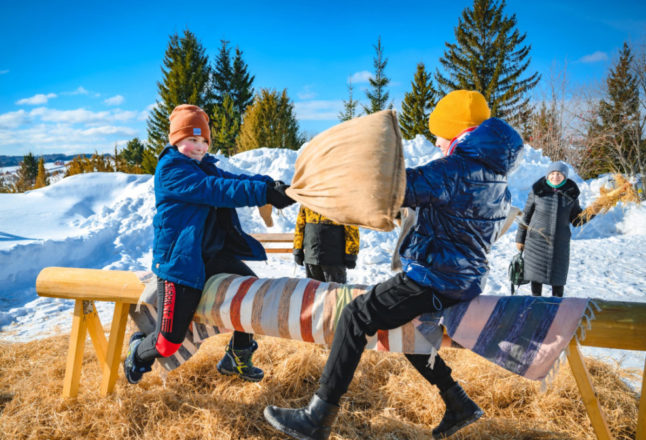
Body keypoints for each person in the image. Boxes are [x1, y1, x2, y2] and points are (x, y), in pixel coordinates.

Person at [264, 90, 524, 440]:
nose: (434, 141)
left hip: (434, 278)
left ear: (458, 133)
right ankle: (458, 401)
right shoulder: (497, 178)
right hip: (465, 279)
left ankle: (317, 417)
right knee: (401, 327)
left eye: (439, 134)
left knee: (357, 315)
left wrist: (346, 171)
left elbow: (395, 187)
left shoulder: (453, 170)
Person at [123, 104, 296, 385]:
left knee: (251, 295)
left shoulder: (204, 167)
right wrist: (262, 193)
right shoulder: (172, 171)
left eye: (204, 140)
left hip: (210, 257)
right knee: (168, 343)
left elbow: (235, 180)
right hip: (181, 263)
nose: (199, 146)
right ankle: (138, 352)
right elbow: (217, 191)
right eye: (192, 139)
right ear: (176, 140)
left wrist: (273, 186)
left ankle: (236, 357)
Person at [515, 162, 591, 297]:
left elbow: (576, 220)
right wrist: (520, 239)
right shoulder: (537, 191)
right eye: (552, 173)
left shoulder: (571, 194)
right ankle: (536, 305)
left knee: (558, 279)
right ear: (548, 175)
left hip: (559, 244)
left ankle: (557, 308)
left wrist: (593, 211)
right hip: (536, 242)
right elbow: (526, 216)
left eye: (559, 174)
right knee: (535, 278)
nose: (555, 176)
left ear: (565, 177)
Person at [293, 205, 360, 283]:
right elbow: (300, 225)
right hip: (317, 256)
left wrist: (351, 254)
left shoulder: (341, 199)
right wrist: (297, 250)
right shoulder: (308, 199)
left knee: (330, 292)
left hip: (330, 257)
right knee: (320, 292)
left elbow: (351, 227)